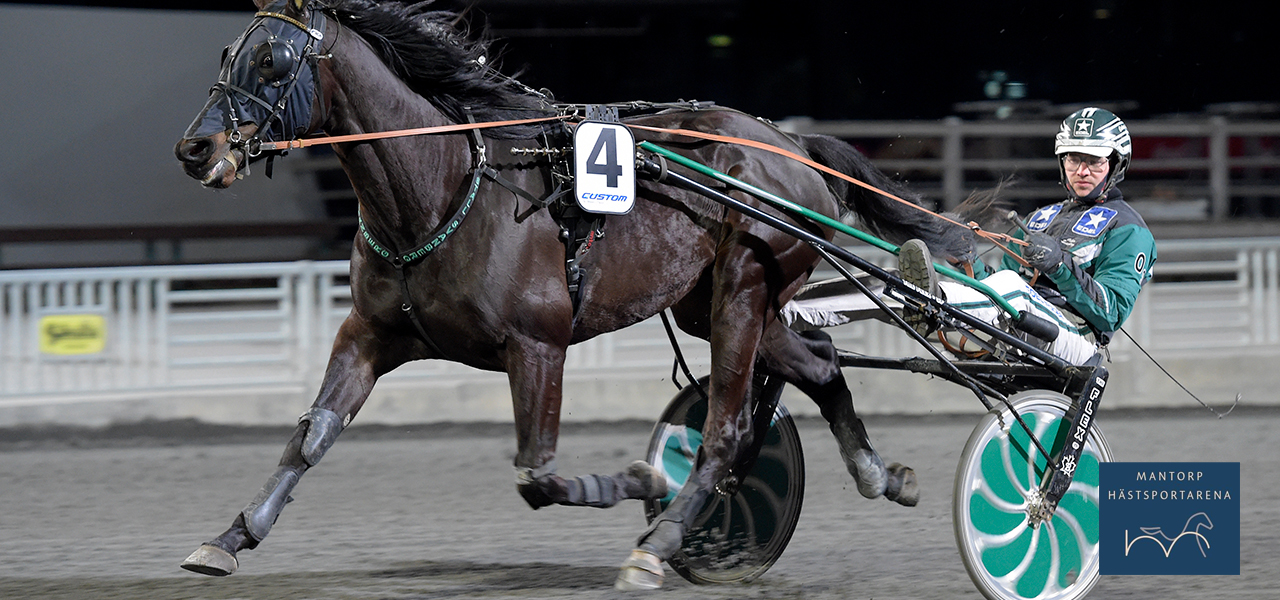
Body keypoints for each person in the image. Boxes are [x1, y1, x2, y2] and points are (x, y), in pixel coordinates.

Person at [783, 107, 1157, 365]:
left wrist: (1060, 266)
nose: (1082, 170)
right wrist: (968, 260)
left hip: (1071, 340)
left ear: (1115, 164)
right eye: (1073, 159)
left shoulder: (1129, 229)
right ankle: (788, 313)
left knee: (1008, 284)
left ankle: (932, 296)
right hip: (1017, 319)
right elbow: (990, 286)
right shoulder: (1043, 218)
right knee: (895, 286)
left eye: (1094, 161)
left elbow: (1110, 313)